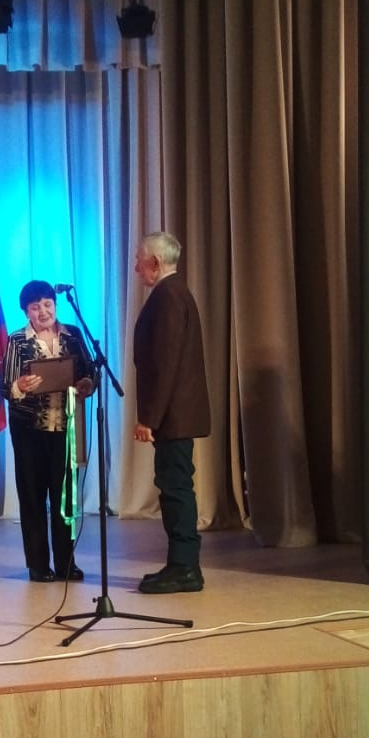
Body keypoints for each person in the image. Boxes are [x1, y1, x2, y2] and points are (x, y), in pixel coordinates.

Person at [1, 279, 95, 582]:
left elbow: (89, 371)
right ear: (26, 312)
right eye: (35, 307)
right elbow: (5, 387)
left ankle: (67, 562)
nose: (43, 311)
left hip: (65, 428)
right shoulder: (17, 340)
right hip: (29, 430)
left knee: (65, 499)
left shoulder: (73, 334)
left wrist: (86, 384)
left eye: (47, 304)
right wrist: (20, 385)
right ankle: (38, 565)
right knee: (32, 496)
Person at [133, 232, 211, 594]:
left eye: (139, 260)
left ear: (155, 262)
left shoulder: (168, 296)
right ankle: (180, 564)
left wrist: (149, 418)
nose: (136, 268)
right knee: (174, 486)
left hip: (173, 415)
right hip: (176, 413)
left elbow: (165, 364)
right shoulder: (174, 292)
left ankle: (185, 568)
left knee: (176, 488)